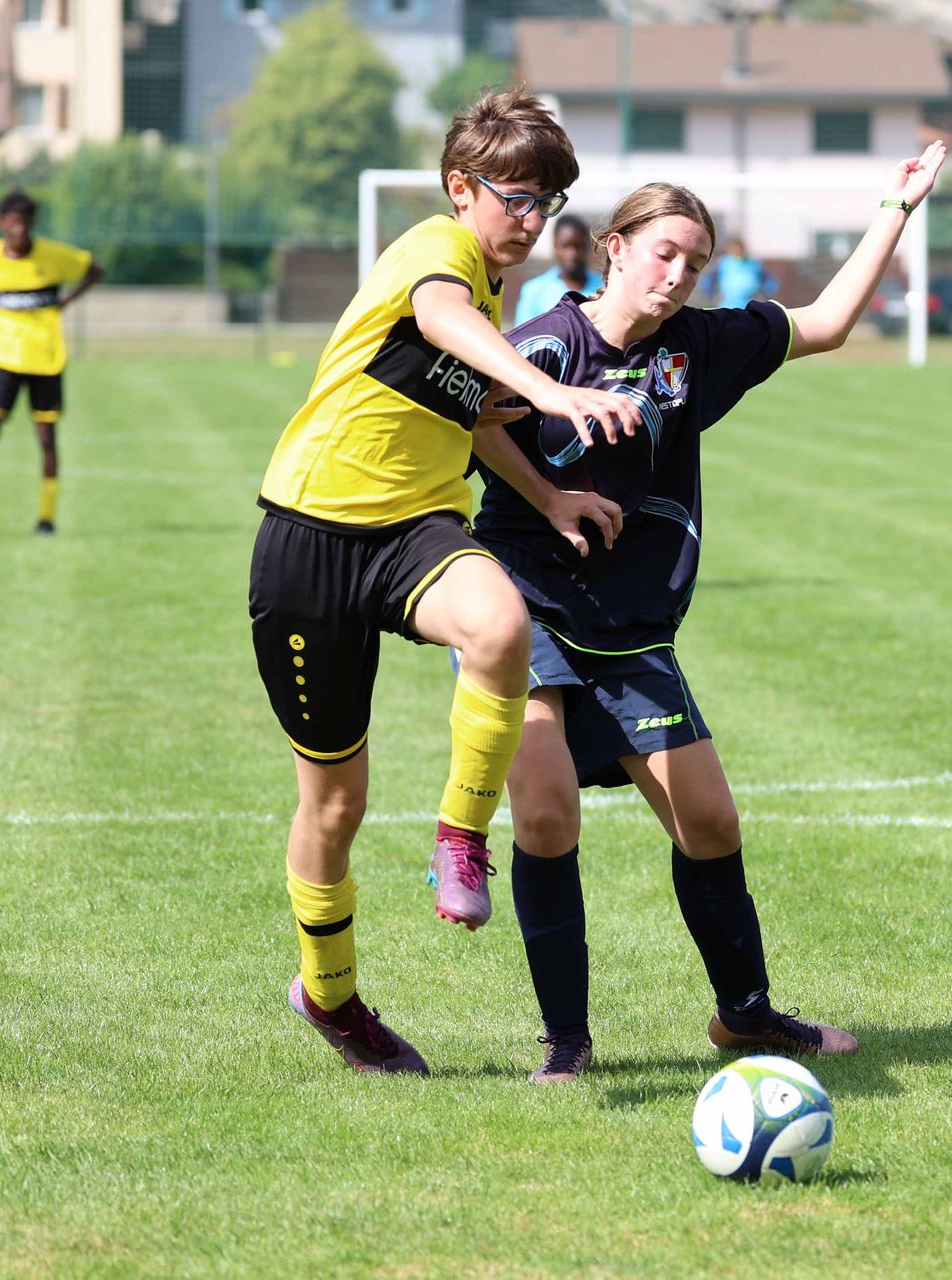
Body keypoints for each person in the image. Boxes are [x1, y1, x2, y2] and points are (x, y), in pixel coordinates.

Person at [469, 142, 947, 1083]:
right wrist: (551, 498)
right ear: (614, 247)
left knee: (711, 824)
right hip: (528, 610)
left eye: (695, 262)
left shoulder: (696, 347)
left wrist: (896, 208)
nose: (678, 274)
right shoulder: (544, 346)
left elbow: (826, 324)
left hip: (633, 627)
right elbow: (479, 422)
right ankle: (566, 1043)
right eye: (664, 253)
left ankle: (746, 1016)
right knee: (547, 816)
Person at [248, 90, 640, 1075]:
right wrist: (548, 389)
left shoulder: (490, 295)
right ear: (461, 188)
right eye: (518, 196)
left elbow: (469, 420)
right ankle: (331, 996)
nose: (533, 219)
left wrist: (548, 496)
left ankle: (461, 837)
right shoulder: (438, 250)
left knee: (500, 625)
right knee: (333, 805)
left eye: (549, 202)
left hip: (415, 529)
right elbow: (439, 314)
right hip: (308, 534)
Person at [0, 189, 103, 537]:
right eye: (13, 223)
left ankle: (46, 518)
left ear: (32, 224)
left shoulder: (54, 256)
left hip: (45, 359)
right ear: (2, 224)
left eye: (25, 223)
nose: (19, 229)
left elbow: (94, 270)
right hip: (5, 357)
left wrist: (67, 301)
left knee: (46, 440)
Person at [511, 214, 603, 325]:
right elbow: (524, 333)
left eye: (578, 246)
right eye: (566, 246)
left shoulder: (603, 289)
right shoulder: (534, 291)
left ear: (587, 248)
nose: (572, 254)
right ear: (555, 247)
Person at [710, 236, 774, 310]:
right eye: (734, 249)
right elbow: (708, 281)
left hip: (750, 305)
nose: (737, 251)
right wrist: (714, 295)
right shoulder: (723, 263)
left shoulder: (754, 263)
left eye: (739, 248)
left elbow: (770, 282)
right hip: (728, 305)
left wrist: (764, 295)